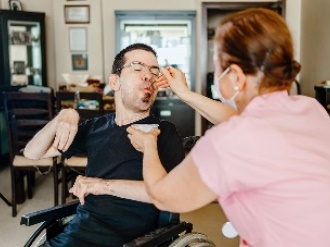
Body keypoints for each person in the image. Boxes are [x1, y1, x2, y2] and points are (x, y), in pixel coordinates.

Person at [127, 8, 330, 247]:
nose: (216, 78)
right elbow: (241, 121)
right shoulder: (311, 109)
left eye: (217, 68)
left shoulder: (232, 140)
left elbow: (163, 196)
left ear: (235, 75)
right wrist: (185, 94)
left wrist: (149, 143)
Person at [23, 43, 185, 246]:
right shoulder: (95, 127)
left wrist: (102, 186)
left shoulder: (164, 132)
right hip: (77, 234)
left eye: (154, 72)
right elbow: (32, 152)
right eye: (137, 68)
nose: (148, 76)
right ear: (115, 81)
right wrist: (64, 115)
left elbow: (172, 195)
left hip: (131, 241)